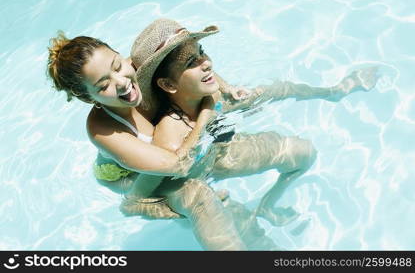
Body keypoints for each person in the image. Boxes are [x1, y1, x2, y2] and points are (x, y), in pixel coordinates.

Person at [125, 18, 379, 226]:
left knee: (301, 147)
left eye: (202, 52)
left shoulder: (205, 92)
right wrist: (188, 208)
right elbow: (135, 201)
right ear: (168, 85)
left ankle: (333, 92)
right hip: (211, 164)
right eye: (192, 62)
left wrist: (227, 87)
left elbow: (204, 69)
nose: (208, 63)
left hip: (219, 135)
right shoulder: (169, 135)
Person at [46, 31, 254, 250]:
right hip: (128, 176)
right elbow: (175, 165)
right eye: (103, 85)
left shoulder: (136, 67)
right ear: (88, 98)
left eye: (117, 66)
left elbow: (191, 63)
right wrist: (206, 113)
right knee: (193, 193)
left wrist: (226, 87)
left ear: (120, 56)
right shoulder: (101, 129)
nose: (121, 82)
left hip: (161, 153)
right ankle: (136, 204)